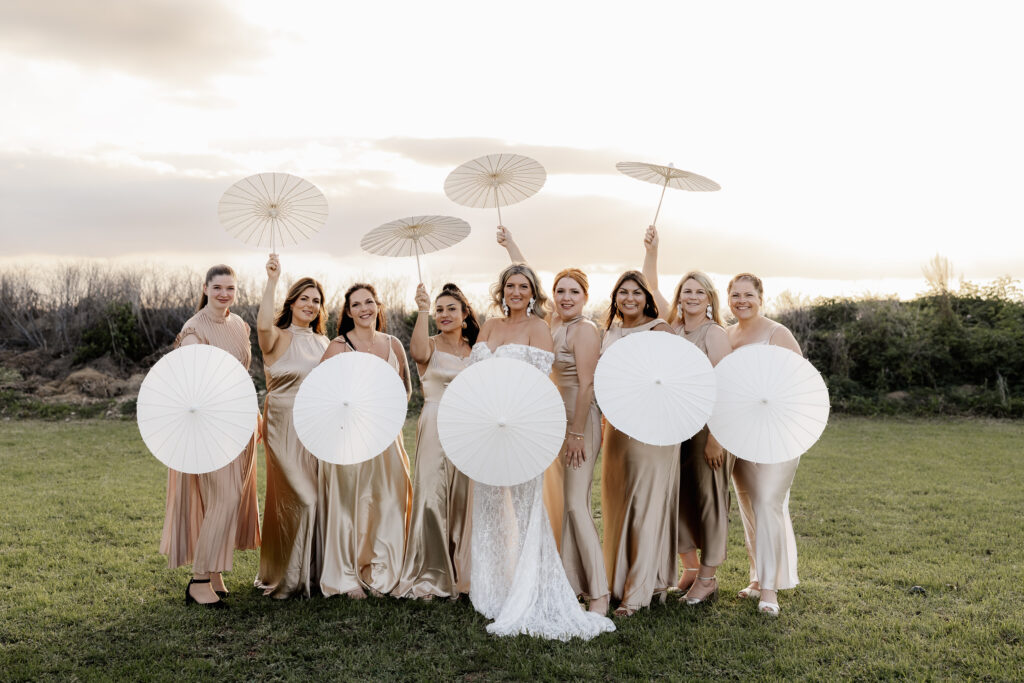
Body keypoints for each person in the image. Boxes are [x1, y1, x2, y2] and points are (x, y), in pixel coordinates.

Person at [468, 262, 615, 640]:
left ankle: (580, 592)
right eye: (510, 286)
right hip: (497, 427)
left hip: (545, 426)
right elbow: (476, 374)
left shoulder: (554, 329)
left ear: (534, 293)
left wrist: (577, 433)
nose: (516, 292)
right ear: (502, 290)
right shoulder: (498, 324)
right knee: (504, 506)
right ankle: (505, 586)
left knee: (551, 506)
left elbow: (567, 385)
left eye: (523, 286)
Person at [496, 227, 609, 615]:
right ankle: (571, 583)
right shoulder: (551, 326)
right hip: (550, 424)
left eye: (573, 292)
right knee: (559, 506)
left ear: (585, 297)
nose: (565, 297)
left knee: (577, 505)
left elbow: (589, 383)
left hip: (580, 421)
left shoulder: (585, 330)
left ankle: (600, 593)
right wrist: (511, 244)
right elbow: (525, 281)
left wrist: (577, 432)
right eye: (560, 291)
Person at [160, 264, 261, 608]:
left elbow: (243, 374)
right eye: (217, 287)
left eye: (230, 288)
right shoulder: (193, 330)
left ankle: (216, 572)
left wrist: (255, 412)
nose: (224, 294)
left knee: (231, 499)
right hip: (210, 426)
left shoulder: (240, 325)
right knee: (225, 498)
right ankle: (199, 580)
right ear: (205, 288)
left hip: (242, 422)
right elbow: (189, 382)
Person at [642, 226, 733, 605]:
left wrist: (717, 437)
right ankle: (691, 568)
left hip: (707, 430)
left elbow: (727, 388)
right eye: (686, 291)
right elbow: (648, 287)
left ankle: (709, 578)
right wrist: (652, 250)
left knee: (709, 499)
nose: (692, 296)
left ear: (709, 299)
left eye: (699, 291)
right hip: (672, 429)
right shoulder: (672, 327)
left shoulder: (714, 334)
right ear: (679, 297)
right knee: (676, 498)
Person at [319, 283, 413, 599]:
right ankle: (347, 576)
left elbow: (406, 390)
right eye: (356, 304)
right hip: (350, 439)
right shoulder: (338, 347)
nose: (364, 309)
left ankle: (385, 574)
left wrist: (390, 418)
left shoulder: (393, 344)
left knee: (390, 503)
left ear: (378, 306)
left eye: (369, 302)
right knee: (353, 507)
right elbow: (322, 394)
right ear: (348, 312)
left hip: (388, 439)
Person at [599, 270, 678, 617]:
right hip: (616, 426)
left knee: (645, 507)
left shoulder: (659, 330)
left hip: (652, 427)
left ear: (647, 297)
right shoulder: (610, 331)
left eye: (636, 292)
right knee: (617, 505)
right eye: (622, 292)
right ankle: (617, 582)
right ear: (615, 297)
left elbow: (674, 378)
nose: (629, 298)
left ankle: (638, 593)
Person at [725, 273, 803, 616]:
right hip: (740, 433)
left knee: (768, 501)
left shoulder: (777, 333)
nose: (742, 301)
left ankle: (770, 590)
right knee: (749, 506)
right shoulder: (726, 336)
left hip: (777, 432)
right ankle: (757, 576)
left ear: (761, 297)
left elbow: (800, 381)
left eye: (748, 295)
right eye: (736, 295)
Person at [393, 283, 477, 599]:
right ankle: (429, 572)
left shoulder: (476, 348)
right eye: (439, 310)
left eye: (450, 309)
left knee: (464, 499)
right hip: (437, 421)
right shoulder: (427, 345)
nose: (444, 315)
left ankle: (463, 574)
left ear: (465, 315)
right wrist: (423, 308)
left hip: (469, 427)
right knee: (431, 494)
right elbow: (415, 353)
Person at [253, 254, 329, 598]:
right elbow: (262, 326)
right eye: (304, 299)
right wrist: (271, 280)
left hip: (316, 427)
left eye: (316, 301)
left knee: (318, 499)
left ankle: (311, 575)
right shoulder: (277, 337)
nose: (310, 305)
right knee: (303, 497)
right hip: (282, 423)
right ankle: (290, 578)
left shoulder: (324, 343)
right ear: (292, 302)